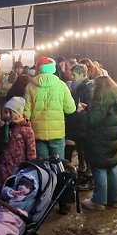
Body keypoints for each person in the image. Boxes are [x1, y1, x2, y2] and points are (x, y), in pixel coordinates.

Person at [24, 56, 76, 213]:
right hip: (57, 133)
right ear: (53, 69)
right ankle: (63, 202)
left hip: (38, 133)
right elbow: (71, 109)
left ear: (39, 68)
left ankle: (45, 202)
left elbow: (26, 112)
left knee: (43, 168)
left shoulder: (30, 86)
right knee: (59, 166)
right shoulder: (60, 85)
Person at [78, 76, 117, 211]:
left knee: (99, 168)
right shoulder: (116, 101)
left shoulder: (100, 102)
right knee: (112, 167)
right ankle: (114, 199)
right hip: (111, 140)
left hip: (99, 141)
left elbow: (93, 121)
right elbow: (103, 116)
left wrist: (81, 113)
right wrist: (89, 109)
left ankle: (99, 201)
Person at [0, 96, 36, 193]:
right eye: (5, 112)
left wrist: (29, 171)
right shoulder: (5, 127)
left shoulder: (26, 130)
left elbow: (31, 153)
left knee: (15, 194)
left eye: (10, 112)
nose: (7, 115)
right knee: (2, 193)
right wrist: (0, 129)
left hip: (18, 170)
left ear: (18, 113)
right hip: (3, 168)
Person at [66, 64, 95, 189]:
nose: (73, 78)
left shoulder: (88, 88)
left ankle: (88, 177)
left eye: (75, 75)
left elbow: (89, 106)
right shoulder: (79, 86)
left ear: (83, 74)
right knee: (81, 150)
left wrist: (82, 110)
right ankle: (83, 172)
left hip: (84, 124)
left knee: (85, 150)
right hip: (79, 124)